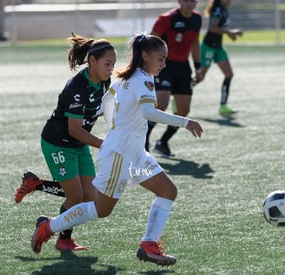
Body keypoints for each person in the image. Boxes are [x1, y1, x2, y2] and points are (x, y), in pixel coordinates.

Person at [30, 33, 203, 266]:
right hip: (121, 155)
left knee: (168, 191)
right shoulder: (144, 79)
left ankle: (148, 245)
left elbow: (108, 101)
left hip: (135, 153)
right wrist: (185, 121)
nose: (164, 64)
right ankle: (48, 226)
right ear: (145, 56)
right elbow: (147, 112)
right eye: (160, 59)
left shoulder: (125, 77)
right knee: (100, 210)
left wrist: (116, 126)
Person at [21, 33, 116, 251]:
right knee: (75, 196)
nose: (111, 69)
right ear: (92, 61)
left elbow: (98, 110)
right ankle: (60, 237)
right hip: (59, 142)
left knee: (89, 197)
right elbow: (75, 130)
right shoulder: (77, 88)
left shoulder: (103, 81)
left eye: (113, 64)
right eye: (107, 63)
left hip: (78, 143)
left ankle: (38, 184)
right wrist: (105, 144)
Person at [145, 0, 203, 157]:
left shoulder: (197, 19)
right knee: (161, 104)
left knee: (183, 110)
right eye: (186, 0)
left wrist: (198, 67)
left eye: (193, 1)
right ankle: (143, 143)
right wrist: (150, 64)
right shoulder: (166, 19)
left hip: (183, 68)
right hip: (164, 66)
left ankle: (162, 143)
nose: (189, 4)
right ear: (179, 1)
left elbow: (195, 43)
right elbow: (151, 41)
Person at [200, 0, 243, 116]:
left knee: (229, 74)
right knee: (200, 76)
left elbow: (219, 28)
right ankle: (178, 95)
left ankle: (223, 106)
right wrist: (230, 32)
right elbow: (213, 28)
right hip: (208, 46)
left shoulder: (223, 9)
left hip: (218, 47)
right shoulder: (218, 9)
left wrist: (229, 34)